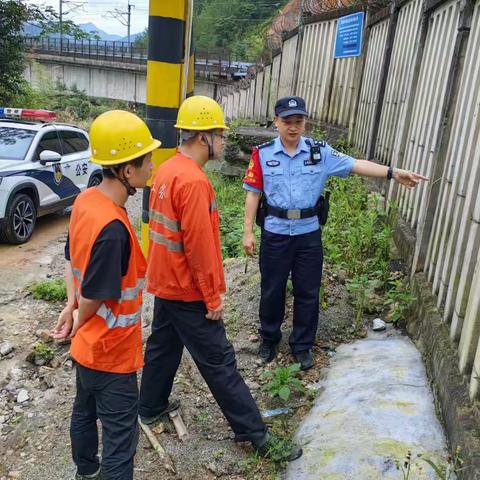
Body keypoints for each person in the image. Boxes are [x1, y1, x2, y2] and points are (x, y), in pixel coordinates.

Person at [139, 95, 301, 461]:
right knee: (220, 363)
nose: (224, 142)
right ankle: (257, 436)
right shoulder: (194, 183)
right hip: (187, 289)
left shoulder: (166, 170)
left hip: (166, 282)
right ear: (203, 138)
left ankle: (149, 406)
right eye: (220, 135)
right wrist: (212, 297)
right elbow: (200, 248)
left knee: (163, 346)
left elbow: (161, 232)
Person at [242, 96, 428, 371]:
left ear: (305, 122)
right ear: (276, 122)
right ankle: (269, 338)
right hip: (276, 233)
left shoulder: (320, 152)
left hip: (307, 235)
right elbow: (253, 194)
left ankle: (302, 345)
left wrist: (392, 173)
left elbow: (356, 164)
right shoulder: (263, 153)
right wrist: (248, 231)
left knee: (307, 291)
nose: (293, 127)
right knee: (272, 289)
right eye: (287, 122)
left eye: (298, 121)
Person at [51, 110, 160, 480]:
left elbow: (72, 257)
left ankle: (85, 471)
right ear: (127, 170)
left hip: (87, 350)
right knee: (119, 439)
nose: (151, 164)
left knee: (83, 413)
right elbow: (96, 292)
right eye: (146, 158)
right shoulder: (114, 228)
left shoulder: (86, 202)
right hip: (112, 353)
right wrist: (78, 318)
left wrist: (71, 306)